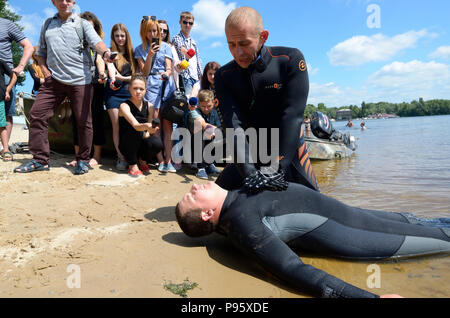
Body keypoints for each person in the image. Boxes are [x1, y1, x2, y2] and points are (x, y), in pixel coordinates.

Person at [175, 181, 450, 298]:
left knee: (425, 220)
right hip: (361, 236)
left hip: (359, 214)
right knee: (442, 237)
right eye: (192, 196)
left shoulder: (237, 194)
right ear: (207, 213)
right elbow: (292, 269)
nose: (195, 186)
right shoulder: (241, 224)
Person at [214, 7, 319, 194]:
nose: (238, 52)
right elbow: (232, 125)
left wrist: (276, 169)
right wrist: (249, 173)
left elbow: (292, 116)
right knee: (210, 206)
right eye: (231, 44)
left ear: (263, 36)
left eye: (244, 43)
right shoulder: (224, 76)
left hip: (288, 150)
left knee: (316, 205)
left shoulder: (289, 60)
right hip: (252, 150)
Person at [13, 0, 117, 175]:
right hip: (54, 80)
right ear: (53, 2)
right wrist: (46, 73)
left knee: (84, 121)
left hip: (81, 80)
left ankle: (83, 160)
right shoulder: (47, 24)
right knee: (37, 114)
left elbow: (96, 42)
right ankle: (40, 159)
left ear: (74, 1)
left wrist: (106, 53)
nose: (64, 2)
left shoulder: (82, 24)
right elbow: (41, 53)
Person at [135, 16, 176, 173]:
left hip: (166, 85)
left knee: (168, 125)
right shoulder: (139, 50)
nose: (153, 34)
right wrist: (150, 55)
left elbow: (169, 68)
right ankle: (160, 161)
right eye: (149, 31)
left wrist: (166, 73)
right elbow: (144, 73)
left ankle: (169, 160)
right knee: (156, 125)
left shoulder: (166, 47)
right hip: (151, 85)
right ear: (144, 33)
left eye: (155, 31)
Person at [71, 11, 107, 168]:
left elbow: (100, 59)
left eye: (91, 28)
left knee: (96, 118)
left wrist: (101, 72)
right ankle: (78, 155)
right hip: (77, 83)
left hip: (95, 83)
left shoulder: (98, 44)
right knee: (77, 119)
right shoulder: (73, 44)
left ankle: (97, 155)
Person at [0, 16, 33, 161]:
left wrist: (20, 67)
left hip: (5, 74)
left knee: (6, 113)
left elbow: (28, 46)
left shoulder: (7, 24)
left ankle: (5, 148)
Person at [105, 23, 136, 171]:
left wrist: (123, 78)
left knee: (130, 126)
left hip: (129, 93)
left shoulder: (133, 54)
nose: (120, 38)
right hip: (113, 94)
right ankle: (120, 157)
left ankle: (131, 157)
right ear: (113, 37)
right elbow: (109, 71)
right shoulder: (109, 53)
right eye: (117, 36)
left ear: (127, 36)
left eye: (122, 35)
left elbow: (137, 77)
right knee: (116, 126)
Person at [118, 74, 163, 176]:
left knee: (157, 144)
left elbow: (149, 132)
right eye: (135, 88)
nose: (138, 91)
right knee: (134, 132)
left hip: (141, 139)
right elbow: (135, 125)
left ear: (145, 90)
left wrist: (151, 129)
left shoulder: (150, 106)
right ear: (129, 89)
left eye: (141, 89)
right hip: (127, 142)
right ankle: (132, 164)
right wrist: (146, 127)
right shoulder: (124, 106)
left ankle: (143, 161)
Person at [187, 90, 222, 179]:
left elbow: (220, 128)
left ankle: (209, 164)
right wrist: (210, 129)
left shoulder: (215, 112)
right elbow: (200, 124)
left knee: (220, 134)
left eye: (209, 106)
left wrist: (213, 130)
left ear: (213, 103)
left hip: (209, 142)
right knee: (199, 129)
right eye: (203, 106)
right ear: (199, 104)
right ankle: (200, 168)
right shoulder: (194, 112)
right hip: (193, 145)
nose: (206, 109)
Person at [172, 11, 203, 96]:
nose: (187, 25)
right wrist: (186, 52)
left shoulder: (193, 41)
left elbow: (198, 61)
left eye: (190, 23)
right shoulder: (177, 37)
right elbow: (181, 48)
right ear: (180, 23)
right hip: (185, 77)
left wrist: (202, 76)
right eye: (185, 22)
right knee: (188, 102)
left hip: (196, 78)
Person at [0, 59, 17, 161]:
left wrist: (7, 90)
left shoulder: (1, 62)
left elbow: (14, 76)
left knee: (2, 124)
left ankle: (5, 149)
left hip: (0, 99)